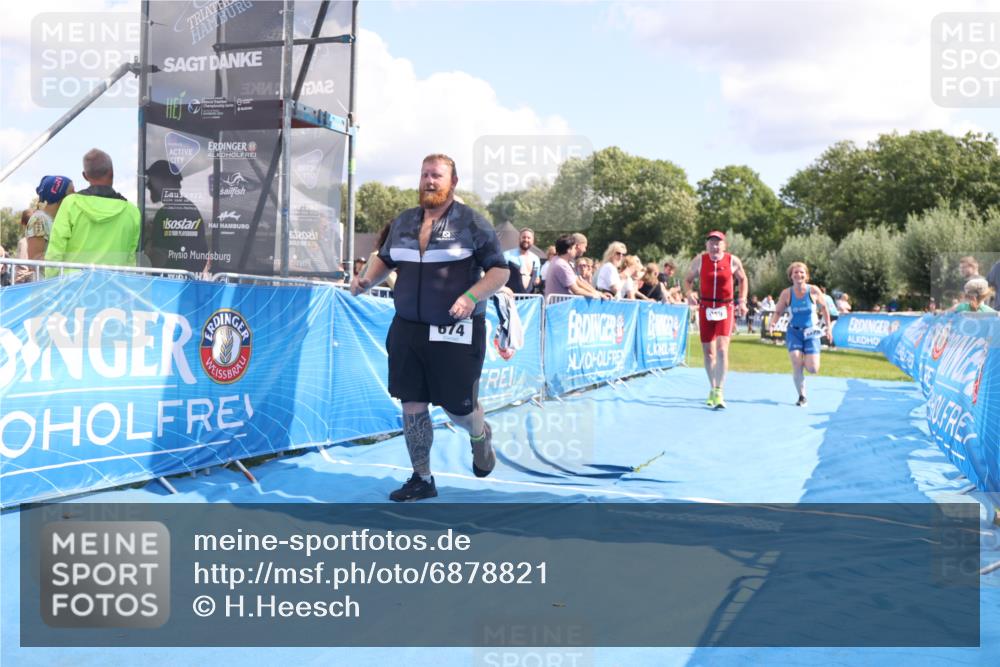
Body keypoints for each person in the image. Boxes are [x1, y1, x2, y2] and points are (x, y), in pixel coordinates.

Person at [349, 154, 509, 501]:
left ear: (453, 182)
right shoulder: (404, 222)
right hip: (408, 328)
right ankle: (422, 478)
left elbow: (500, 271)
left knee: (459, 410)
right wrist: (365, 280)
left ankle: (480, 435)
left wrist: (471, 296)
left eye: (437, 175)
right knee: (412, 404)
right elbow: (385, 259)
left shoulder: (472, 223)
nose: (429, 181)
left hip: (456, 330)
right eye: (424, 175)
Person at [45, 149, 140, 276]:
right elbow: (130, 259)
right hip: (113, 290)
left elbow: (55, 250)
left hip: (73, 289)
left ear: (85, 176)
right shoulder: (132, 212)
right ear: (112, 173)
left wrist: (51, 283)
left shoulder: (70, 204)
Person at [683, 230, 749, 409]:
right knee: (708, 353)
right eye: (711, 242)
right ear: (707, 245)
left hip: (724, 307)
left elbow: (743, 280)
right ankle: (712, 387)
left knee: (721, 350)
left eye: (718, 242)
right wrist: (689, 293)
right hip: (705, 308)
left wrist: (742, 300)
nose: (714, 245)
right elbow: (687, 280)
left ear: (724, 244)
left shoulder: (732, 260)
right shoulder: (700, 260)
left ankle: (719, 390)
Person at [769, 262, 833, 407]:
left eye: (801, 272)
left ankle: (807, 360)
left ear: (806, 275)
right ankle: (802, 396)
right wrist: (772, 324)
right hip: (794, 332)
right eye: (795, 273)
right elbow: (778, 311)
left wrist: (828, 328)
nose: (799, 275)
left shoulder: (814, 291)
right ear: (791, 276)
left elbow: (824, 309)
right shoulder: (787, 293)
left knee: (813, 369)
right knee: (796, 363)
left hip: (811, 332)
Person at [144, 160, 210, 273]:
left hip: (167, 283)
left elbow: (156, 258)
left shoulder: (165, 213)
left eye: (151, 180)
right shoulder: (189, 208)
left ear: (166, 182)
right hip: (187, 279)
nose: (148, 185)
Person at [544, 234, 610, 299]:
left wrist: (597, 293)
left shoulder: (558, 261)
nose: (575, 250)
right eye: (574, 248)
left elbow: (577, 281)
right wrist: (596, 295)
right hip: (560, 307)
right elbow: (576, 290)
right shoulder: (562, 265)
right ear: (568, 250)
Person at [503, 227, 540, 293]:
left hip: (529, 300)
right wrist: (503, 289)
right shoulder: (507, 255)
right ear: (519, 238)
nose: (526, 239)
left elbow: (537, 278)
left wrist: (537, 281)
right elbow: (499, 275)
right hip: (510, 297)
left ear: (532, 241)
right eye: (524, 237)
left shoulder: (536, 259)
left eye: (529, 238)